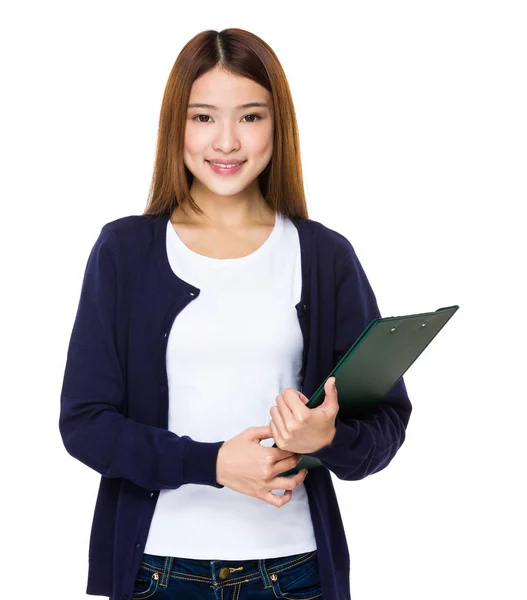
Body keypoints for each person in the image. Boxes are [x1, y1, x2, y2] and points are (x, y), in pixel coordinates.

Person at [59, 27, 412, 600]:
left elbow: (384, 424)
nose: (226, 141)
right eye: (203, 117)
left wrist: (326, 437)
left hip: (293, 572)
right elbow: (85, 424)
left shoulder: (324, 256)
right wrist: (213, 464)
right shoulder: (124, 252)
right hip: (157, 571)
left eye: (250, 116)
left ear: (279, 125)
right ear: (177, 124)